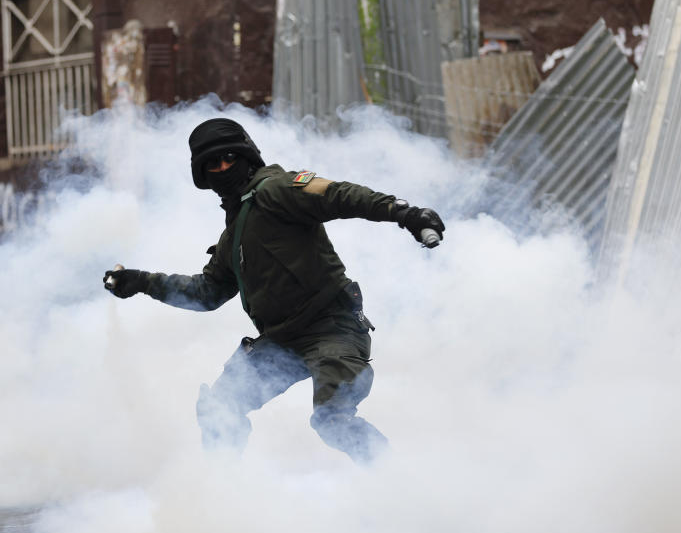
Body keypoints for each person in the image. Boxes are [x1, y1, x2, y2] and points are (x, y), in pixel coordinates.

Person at [103, 118, 445, 464]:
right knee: (221, 407)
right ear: (203, 175)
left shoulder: (277, 190)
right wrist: (142, 281)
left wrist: (404, 213)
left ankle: (396, 485)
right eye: (213, 164)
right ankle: (219, 492)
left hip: (332, 328)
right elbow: (206, 293)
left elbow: (338, 196)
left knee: (333, 419)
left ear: (247, 157)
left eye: (229, 159)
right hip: (282, 341)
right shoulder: (232, 237)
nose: (223, 168)